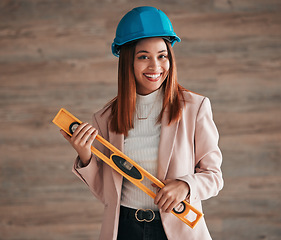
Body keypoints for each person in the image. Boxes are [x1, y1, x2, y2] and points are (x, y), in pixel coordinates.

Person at [60, 6, 223, 240]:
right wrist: (85, 156)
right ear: (128, 60)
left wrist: (186, 186)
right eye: (143, 56)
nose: (155, 66)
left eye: (162, 55)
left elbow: (214, 176)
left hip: (178, 229)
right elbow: (107, 195)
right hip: (125, 229)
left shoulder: (194, 108)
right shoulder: (105, 118)